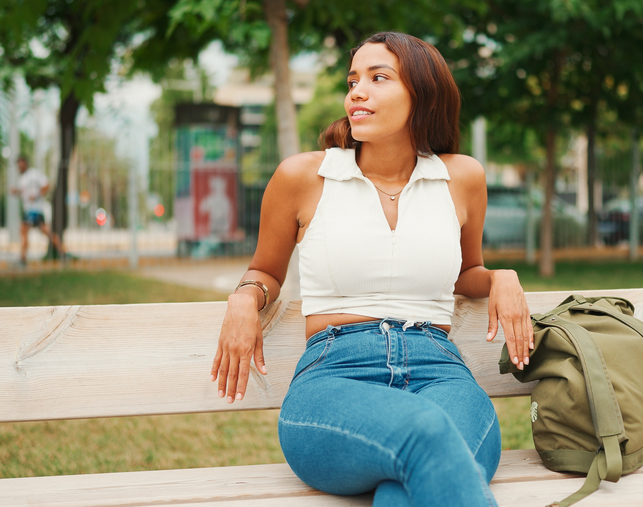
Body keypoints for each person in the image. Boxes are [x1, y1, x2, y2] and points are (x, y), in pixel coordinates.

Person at [211, 32, 534, 507]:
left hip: (440, 372)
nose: (356, 92)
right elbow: (266, 271)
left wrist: (501, 278)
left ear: (421, 95)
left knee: (406, 490)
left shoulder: (461, 177)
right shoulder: (304, 176)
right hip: (333, 376)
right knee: (427, 432)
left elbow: (467, 272)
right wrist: (244, 296)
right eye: (353, 79)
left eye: (378, 78)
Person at [12, 155, 64, 265]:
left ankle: (63, 253)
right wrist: (16, 191)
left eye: (20, 164)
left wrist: (36, 196)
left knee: (44, 232)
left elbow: (46, 186)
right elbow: (24, 193)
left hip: (36, 210)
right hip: (27, 210)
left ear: (25, 163)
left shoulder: (34, 174)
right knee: (25, 232)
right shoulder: (22, 179)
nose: (19, 167)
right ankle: (23, 258)